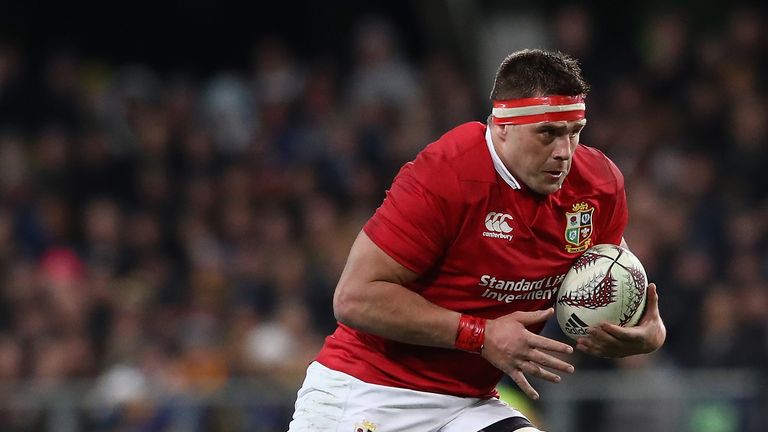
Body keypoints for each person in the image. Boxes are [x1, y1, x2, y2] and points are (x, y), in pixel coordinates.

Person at [287, 49, 666, 432]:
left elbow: (613, 270)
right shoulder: (447, 174)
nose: (564, 153)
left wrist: (646, 331)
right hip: (368, 390)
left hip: (467, 406)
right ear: (502, 126)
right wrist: (480, 335)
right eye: (547, 133)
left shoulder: (597, 185)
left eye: (574, 132)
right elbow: (354, 298)